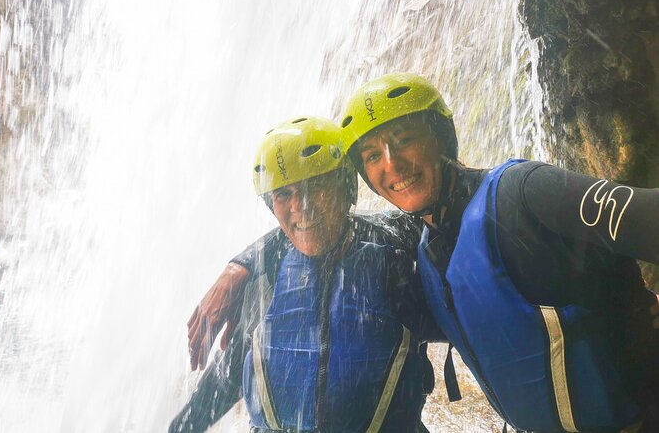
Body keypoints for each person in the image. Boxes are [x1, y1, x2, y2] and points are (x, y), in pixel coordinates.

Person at [337, 73, 659, 432]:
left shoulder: (524, 193)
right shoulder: (427, 255)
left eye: (405, 139)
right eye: (371, 156)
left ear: (440, 138)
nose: (391, 164)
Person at [170, 116, 442, 433]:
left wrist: (238, 265)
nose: (301, 206)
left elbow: (447, 212)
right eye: (283, 194)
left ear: (345, 189)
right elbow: (229, 374)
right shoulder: (266, 273)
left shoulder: (396, 248)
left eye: (315, 185)